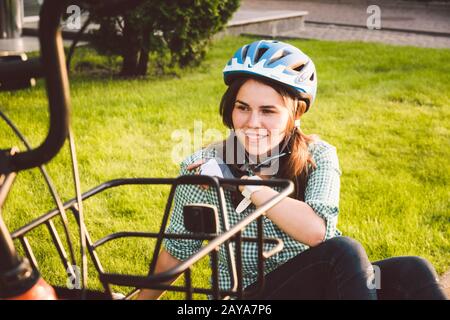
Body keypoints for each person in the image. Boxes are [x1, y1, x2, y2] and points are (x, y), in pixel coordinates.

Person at [138, 40, 446, 300]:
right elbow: (178, 251)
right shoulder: (203, 166)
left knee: (412, 270)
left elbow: (316, 232)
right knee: (343, 252)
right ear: (229, 109)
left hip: (318, 282)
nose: (252, 122)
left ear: (295, 115)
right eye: (242, 107)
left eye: (268, 111)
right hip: (247, 297)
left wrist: (247, 185)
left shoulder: (318, 156)